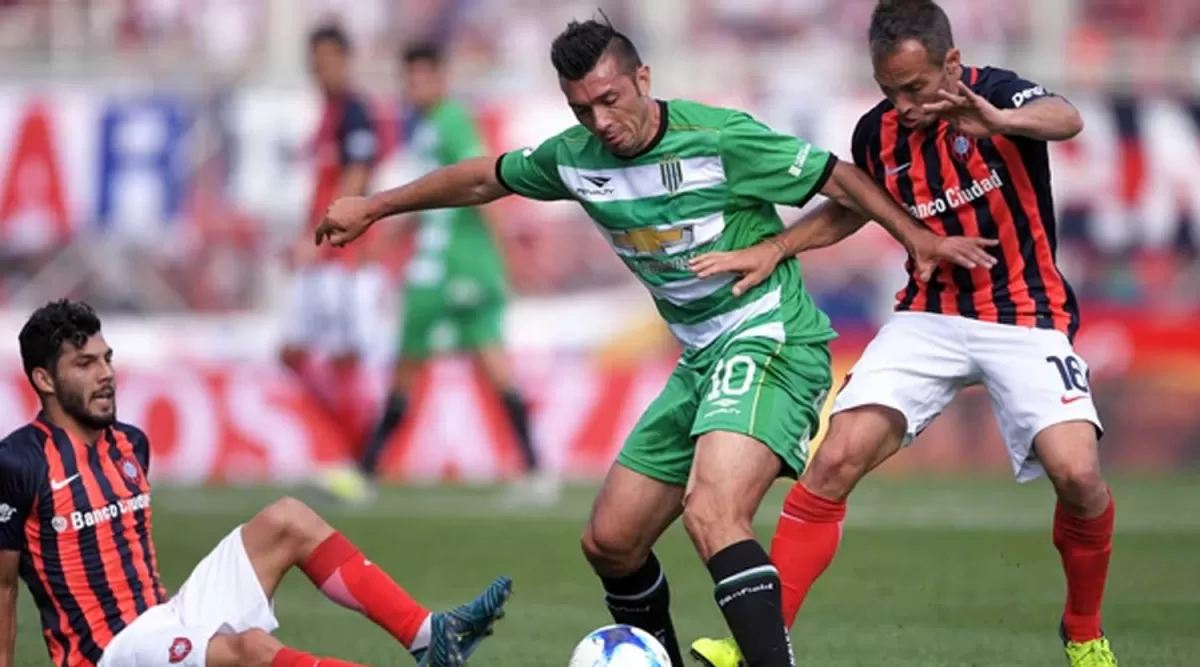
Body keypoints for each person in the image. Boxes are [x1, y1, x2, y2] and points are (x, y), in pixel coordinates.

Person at [313, 17, 994, 667]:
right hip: (701, 356)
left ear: (643, 77)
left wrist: (912, 238)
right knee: (611, 541)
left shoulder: (718, 137)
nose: (601, 121)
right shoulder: (575, 159)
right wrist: (375, 206)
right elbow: (483, 177)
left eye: (610, 99)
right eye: (582, 110)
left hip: (770, 337)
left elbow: (843, 179)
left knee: (714, 510)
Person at [687, 1, 1116, 666]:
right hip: (929, 315)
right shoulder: (877, 133)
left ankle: (1083, 630)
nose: (906, 106)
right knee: (834, 460)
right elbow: (858, 208)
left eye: (916, 88)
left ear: (951, 62)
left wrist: (1001, 122)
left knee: (1078, 474)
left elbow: (1069, 117)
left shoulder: (998, 93)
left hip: (1024, 314)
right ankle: (754, 642)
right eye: (890, 90)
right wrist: (780, 246)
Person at [0, 299, 511, 667]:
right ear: (44, 379)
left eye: (106, 359)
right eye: (84, 364)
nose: (105, 374)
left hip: (163, 618)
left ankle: (430, 636)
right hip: (107, 653)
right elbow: (3, 591)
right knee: (250, 650)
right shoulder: (19, 463)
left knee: (288, 519)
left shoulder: (130, 444)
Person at [317, 42, 556, 507]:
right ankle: (366, 471)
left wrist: (506, 252)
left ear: (441, 79)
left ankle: (534, 468)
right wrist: (381, 243)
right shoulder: (425, 129)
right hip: (430, 270)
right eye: (408, 78)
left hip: (461, 264)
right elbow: (423, 200)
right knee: (410, 368)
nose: (413, 87)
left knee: (489, 362)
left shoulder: (452, 120)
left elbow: (483, 182)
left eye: (422, 77)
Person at [278, 24, 385, 439]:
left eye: (327, 63)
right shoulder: (330, 114)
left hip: (342, 258)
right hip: (323, 258)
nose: (321, 72)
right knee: (296, 354)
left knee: (342, 358)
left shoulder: (355, 111)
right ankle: (352, 443)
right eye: (315, 65)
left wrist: (316, 240)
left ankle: (361, 449)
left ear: (345, 61)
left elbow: (356, 179)